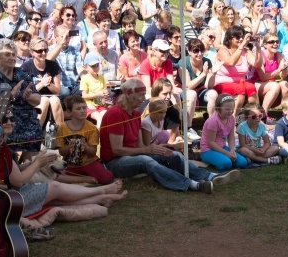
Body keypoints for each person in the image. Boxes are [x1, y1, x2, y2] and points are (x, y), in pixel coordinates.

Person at [99, 80, 233, 193]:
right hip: (114, 162)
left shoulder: (135, 114)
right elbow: (117, 150)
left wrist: (157, 148)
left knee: (172, 154)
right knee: (146, 161)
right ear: (129, 95)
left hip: (130, 156)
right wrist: (147, 149)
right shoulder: (115, 114)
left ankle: (210, 176)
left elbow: (139, 145)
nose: (143, 99)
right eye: (140, 95)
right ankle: (192, 184)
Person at [0, 38, 44, 160]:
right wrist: (9, 96)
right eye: (7, 54)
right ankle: (11, 165)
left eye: (14, 54)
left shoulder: (23, 74)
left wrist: (27, 96)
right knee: (8, 131)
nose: (12, 58)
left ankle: (27, 166)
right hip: (4, 119)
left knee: (34, 132)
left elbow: (37, 100)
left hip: (26, 119)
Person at [55, 96, 114, 184]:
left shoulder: (91, 127)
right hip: (70, 165)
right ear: (69, 112)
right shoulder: (62, 127)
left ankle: (101, 168)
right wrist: (68, 148)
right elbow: (61, 152)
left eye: (84, 108)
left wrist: (86, 147)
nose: (82, 110)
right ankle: (84, 179)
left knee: (106, 179)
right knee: (57, 179)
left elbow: (93, 152)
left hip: (88, 163)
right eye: (78, 109)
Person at [213, 26, 258, 115]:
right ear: (230, 38)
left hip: (239, 83)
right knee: (240, 89)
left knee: (251, 87)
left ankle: (255, 115)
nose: (241, 39)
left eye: (242, 37)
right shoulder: (223, 50)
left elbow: (257, 64)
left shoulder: (245, 51)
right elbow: (231, 62)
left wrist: (259, 49)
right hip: (221, 84)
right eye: (238, 37)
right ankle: (233, 118)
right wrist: (241, 46)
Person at [199, 94, 248, 171]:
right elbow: (210, 143)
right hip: (208, 150)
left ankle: (222, 159)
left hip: (222, 147)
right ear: (218, 109)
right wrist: (226, 153)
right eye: (227, 109)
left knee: (243, 163)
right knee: (227, 164)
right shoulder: (213, 121)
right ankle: (208, 159)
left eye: (232, 108)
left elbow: (231, 136)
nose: (230, 111)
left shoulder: (231, 118)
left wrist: (232, 149)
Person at [22, 38, 64, 127]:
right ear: (32, 52)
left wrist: (48, 84)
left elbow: (57, 90)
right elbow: (26, 93)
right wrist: (42, 84)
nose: (44, 53)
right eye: (39, 51)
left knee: (55, 100)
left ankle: (61, 132)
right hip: (33, 98)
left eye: (45, 50)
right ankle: (37, 131)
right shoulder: (26, 67)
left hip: (51, 96)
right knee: (44, 100)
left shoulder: (52, 65)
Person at [253, 33, 288, 119]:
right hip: (256, 83)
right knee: (274, 85)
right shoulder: (261, 56)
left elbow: (282, 77)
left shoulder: (280, 55)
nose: (275, 44)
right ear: (265, 44)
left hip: (270, 83)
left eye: (277, 41)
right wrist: (279, 69)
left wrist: (285, 68)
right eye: (272, 42)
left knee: (285, 84)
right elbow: (263, 77)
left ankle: (287, 113)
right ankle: (263, 114)